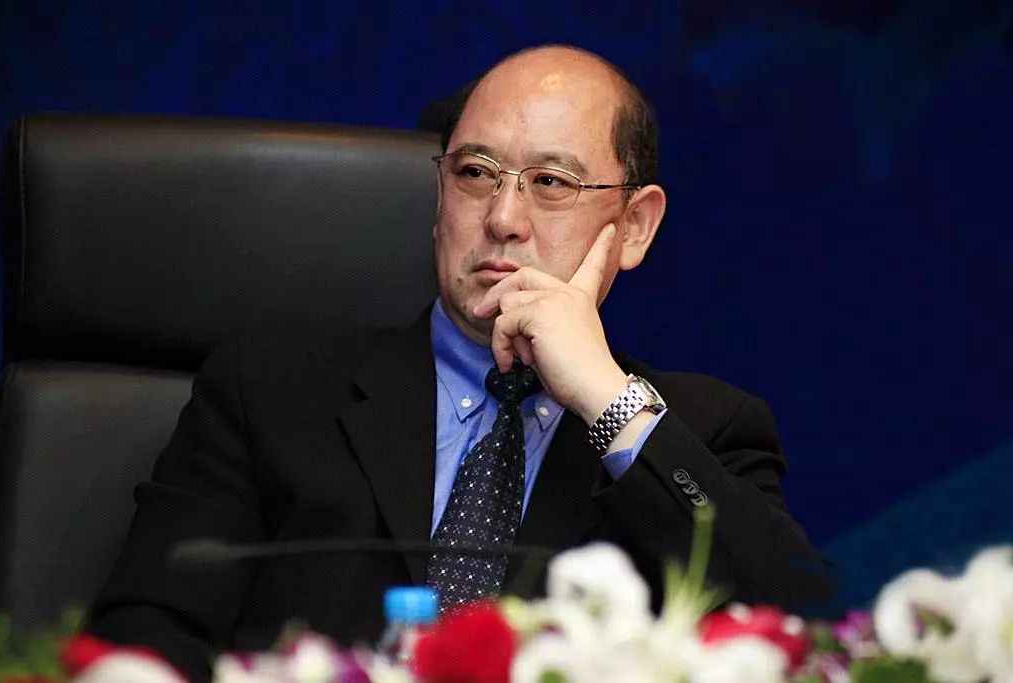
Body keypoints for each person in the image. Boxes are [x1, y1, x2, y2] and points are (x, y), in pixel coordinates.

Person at [88, 45, 828, 680]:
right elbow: (144, 636)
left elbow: (800, 632)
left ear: (633, 227)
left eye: (551, 182)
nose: (502, 218)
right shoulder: (268, 393)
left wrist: (609, 403)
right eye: (476, 172)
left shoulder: (706, 429)